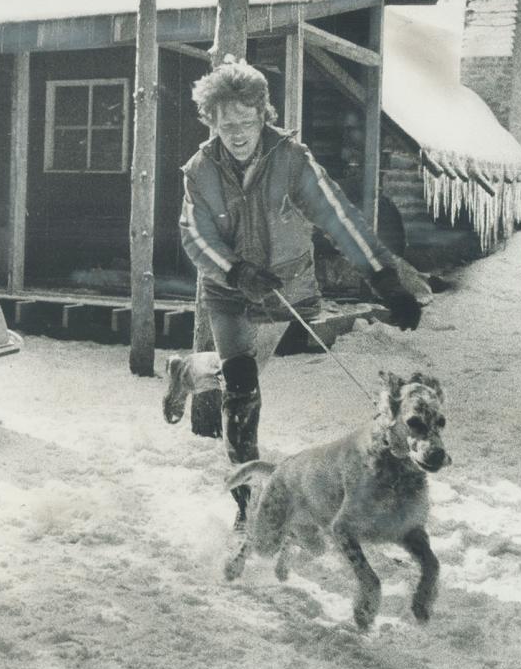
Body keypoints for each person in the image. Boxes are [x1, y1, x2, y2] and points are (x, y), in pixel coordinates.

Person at [163, 59, 422, 528]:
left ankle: (185, 370)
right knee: (241, 392)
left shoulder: (292, 160)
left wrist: (385, 279)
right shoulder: (200, 170)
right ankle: (250, 509)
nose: (237, 133)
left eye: (246, 121)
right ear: (212, 123)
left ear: (265, 116)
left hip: (284, 292)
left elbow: (340, 218)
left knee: (233, 375)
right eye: (226, 125)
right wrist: (236, 271)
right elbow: (195, 237)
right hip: (229, 291)